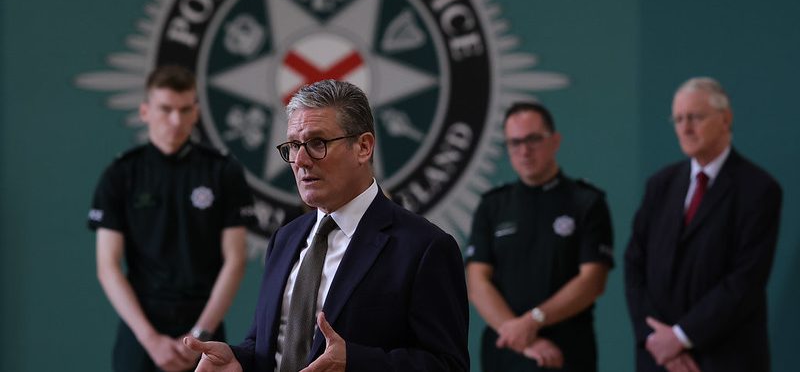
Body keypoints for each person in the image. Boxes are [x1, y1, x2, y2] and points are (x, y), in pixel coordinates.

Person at [184, 79, 469, 372]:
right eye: (294, 145)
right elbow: (266, 344)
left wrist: (356, 363)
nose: (302, 160)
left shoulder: (424, 247)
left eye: (318, 143)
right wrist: (239, 361)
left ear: (363, 147)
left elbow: (448, 365)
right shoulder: (285, 238)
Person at [89, 65, 256, 372]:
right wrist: (150, 339)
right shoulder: (121, 174)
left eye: (184, 109)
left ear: (196, 112)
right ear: (145, 111)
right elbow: (107, 266)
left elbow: (236, 260)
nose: (176, 120)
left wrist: (199, 336)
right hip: (141, 325)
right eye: (166, 109)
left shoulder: (222, 171)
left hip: (204, 319)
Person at [624, 77, 782, 372]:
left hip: (724, 359)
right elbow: (634, 265)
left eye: (695, 117)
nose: (685, 128)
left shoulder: (758, 189)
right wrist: (658, 340)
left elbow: (745, 281)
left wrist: (682, 337)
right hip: (658, 359)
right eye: (679, 119)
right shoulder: (660, 185)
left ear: (726, 119)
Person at [465, 102, 614, 372]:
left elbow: (592, 281)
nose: (524, 150)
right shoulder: (492, 205)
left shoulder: (586, 202)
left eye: (533, 139)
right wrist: (521, 338)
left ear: (554, 141)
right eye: (515, 142)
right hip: (505, 352)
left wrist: (533, 321)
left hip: (566, 353)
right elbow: (477, 283)